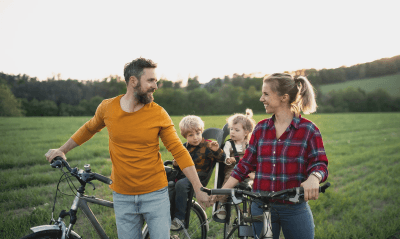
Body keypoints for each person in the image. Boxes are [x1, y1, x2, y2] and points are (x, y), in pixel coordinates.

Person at [44, 57, 212, 239]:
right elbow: (89, 128)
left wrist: (198, 187)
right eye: (151, 80)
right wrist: (63, 150)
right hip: (123, 196)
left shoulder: (158, 113)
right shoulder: (108, 108)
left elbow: (179, 151)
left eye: (156, 80)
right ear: (133, 81)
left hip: (155, 195)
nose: (156, 86)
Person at [213, 73, 329, 239]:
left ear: (284, 97)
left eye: (266, 94)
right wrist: (221, 193)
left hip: (294, 208)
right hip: (261, 206)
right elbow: (245, 165)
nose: (261, 99)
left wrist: (314, 178)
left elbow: (320, 163)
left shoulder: (308, 130)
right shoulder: (260, 129)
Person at [170, 115, 226, 230]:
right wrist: (176, 164)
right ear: (185, 136)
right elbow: (181, 166)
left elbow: (222, 158)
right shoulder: (184, 147)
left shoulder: (208, 146)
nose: (195, 137)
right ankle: (168, 214)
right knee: (168, 184)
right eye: (191, 135)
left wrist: (217, 151)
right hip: (184, 176)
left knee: (181, 184)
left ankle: (180, 219)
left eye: (198, 133)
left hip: (199, 179)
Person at [216, 108, 256, 220]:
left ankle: (251, 209)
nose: (232, 132)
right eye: (231, 129)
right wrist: (228, 159)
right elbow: (225, 156)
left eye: (237, 130)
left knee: (257, 184)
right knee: (227, 182)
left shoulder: (250, 144)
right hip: (232, 170)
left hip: (248, 171)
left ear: (246, 132)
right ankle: (221, 205)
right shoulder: (229, 144)